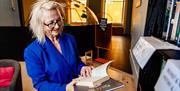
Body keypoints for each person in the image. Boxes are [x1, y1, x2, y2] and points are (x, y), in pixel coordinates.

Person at [24, 0, 93, 91]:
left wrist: (82, 67)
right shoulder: (32, 51)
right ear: (40, 25)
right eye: (51, 23)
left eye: (59, 20)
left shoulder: (70, 39)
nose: (57, 26)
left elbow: (76, 63)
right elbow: (40, 84)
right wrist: (65, 88)